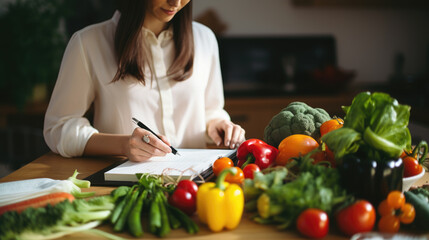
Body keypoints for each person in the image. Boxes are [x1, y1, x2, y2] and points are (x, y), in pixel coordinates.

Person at [43, 0, 246, 162]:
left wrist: (218, 124)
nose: (175, 2)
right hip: (123, 187)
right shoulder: (88, 43)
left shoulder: (205, 39)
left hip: (194, 182)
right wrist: (123, 145)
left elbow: (210, 109)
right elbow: (59, 128)